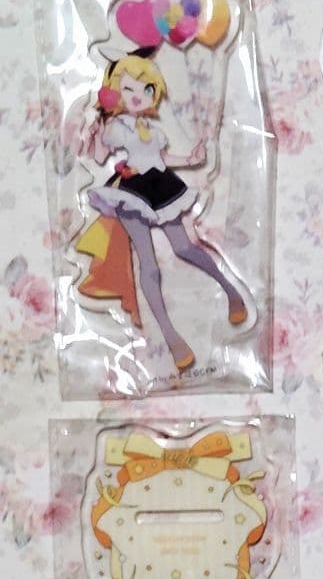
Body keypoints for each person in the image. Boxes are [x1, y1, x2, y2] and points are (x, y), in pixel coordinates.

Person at [76, 50, 246, 371]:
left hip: (162, 185)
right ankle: (172, 338)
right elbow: (99, 157)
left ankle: (231, 290)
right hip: (133, 193)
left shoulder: (151, 129)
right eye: (128, 88)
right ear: (115, 90)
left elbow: (161, 158)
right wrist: (95, 128)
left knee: (184, 247)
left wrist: (191, 160)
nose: (138, 95)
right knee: (149, 264)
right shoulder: (116, 127)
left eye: (146, 89)